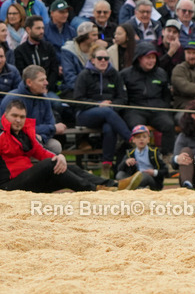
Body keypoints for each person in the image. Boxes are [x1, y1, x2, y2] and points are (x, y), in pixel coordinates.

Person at [0, 100, 143, 192]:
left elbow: (40, 152)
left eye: (22, 117)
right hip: (8, 185)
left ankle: (114, 185)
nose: (18, 120)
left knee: (67, 167)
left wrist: (59, 156)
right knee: (51, 164)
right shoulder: (1, 135)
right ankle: (95, 189)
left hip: (27, 181)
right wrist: (55, 159)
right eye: (14, 116)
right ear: (5, 115)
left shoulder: (25, 133)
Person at [74, 46, 132, 177]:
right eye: (99, 58)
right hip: (85, 114)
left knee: (109, 128)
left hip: (109, 115)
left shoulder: (115, 75)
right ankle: (130, 138)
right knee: (106, 112)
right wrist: (98, 105)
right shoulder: (84, 75)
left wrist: (111, 106)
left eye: (106, 58)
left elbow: (122, 99)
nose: (103, 61)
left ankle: (106, 166)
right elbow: (78, 100)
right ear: (92, 60)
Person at [120, 41, 176, 160]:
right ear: (139, 58)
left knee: (169, 125)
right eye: (148, 58)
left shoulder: (161, 73)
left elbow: (166, 95)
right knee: (137, 128)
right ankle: (138, 158)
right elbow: (122, 96)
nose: (151, 61)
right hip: (135, 108)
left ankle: (166, 157)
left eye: (153, 58)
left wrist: (163, 108)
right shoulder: (126, 74)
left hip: (157, 109)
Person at [0, 64, 64, 153]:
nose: (46, 83)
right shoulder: (12, 99)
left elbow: (50, 123)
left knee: (55, 146)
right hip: (16, 140)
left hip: (40, 138)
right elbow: (15, 128)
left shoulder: (45, 99)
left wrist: (41, 138)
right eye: (42, 80)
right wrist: (35, 135)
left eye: (45, 79)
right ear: (29, 82)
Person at [115, 125, 168, 191]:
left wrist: (154, 172)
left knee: (145, 176)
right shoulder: (130, 153)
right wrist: (125, 162)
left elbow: (165, 170)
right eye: (138, 137)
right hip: (134, 178)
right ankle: (135, 187)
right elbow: (119, 168)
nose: (141, 139)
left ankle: (133, 188)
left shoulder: (154, 152)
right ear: (133, 140)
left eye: (144, 137)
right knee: (120, 175)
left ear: (148, 139)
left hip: (151, 180)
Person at [172, 100, 195, 189]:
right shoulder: (184, 136)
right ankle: (187, 184)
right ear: (194, 116)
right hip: (192, 175)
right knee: (185, 151)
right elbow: (173, 162)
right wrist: (178, 159)